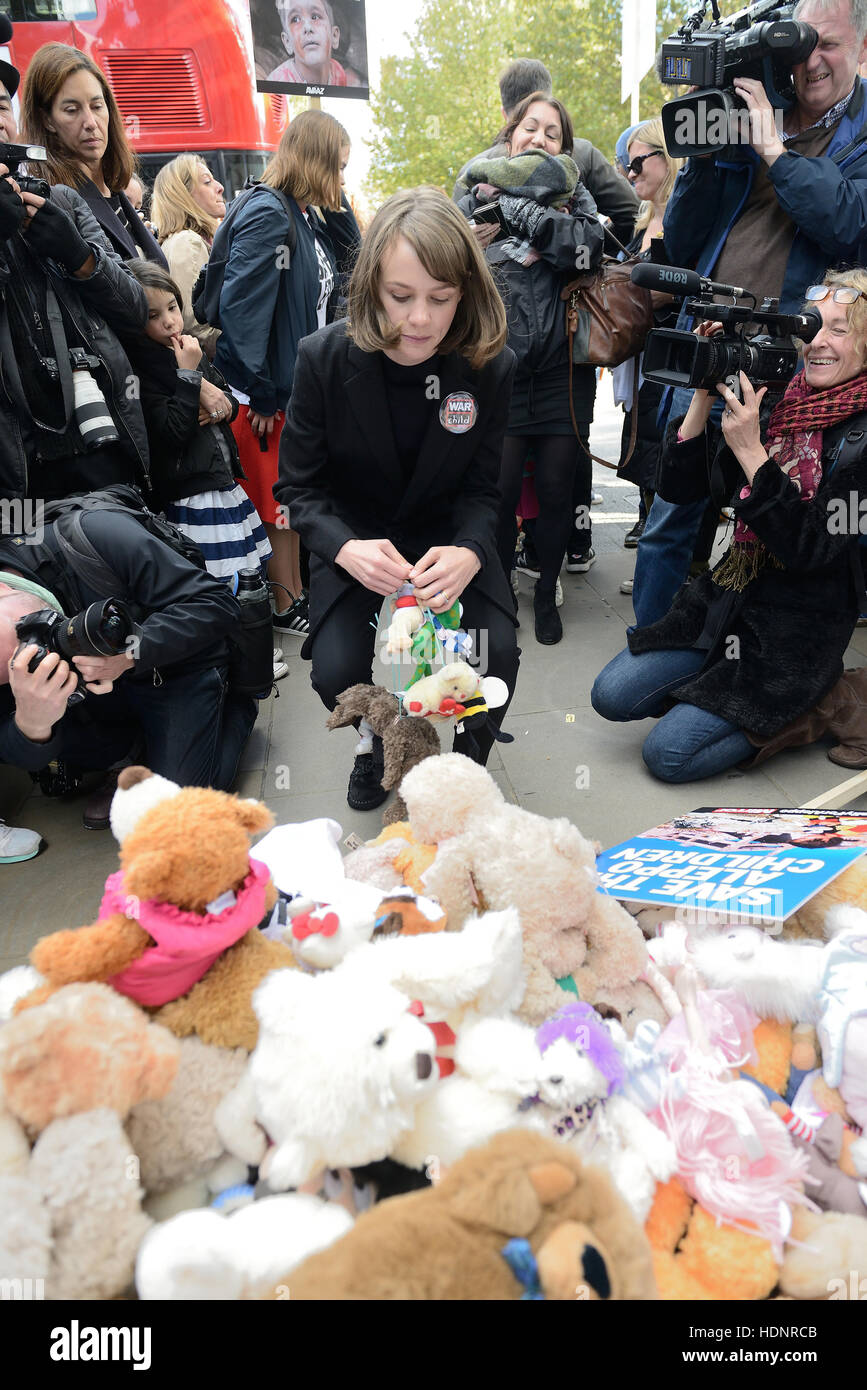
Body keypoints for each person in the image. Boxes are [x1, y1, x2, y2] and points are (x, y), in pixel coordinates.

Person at [274, 186, 519, 810]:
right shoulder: (322, 359)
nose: (420, 319)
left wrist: (468, 550)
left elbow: (488, 489)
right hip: (356, 535)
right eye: (401, 296)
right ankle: (378, 737)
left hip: (448, 535)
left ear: (465, 291)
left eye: (440, 298)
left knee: (497, 650)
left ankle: (465, 763)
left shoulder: (489, 366)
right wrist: (345, 548)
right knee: (333, 668)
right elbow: (298, 489)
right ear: (370, 288)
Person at [633, 0, 867, 627]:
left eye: (832, 46)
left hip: (799, 364)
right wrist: (710, 153)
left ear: (863, 51)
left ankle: (754, 672)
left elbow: (848, 225)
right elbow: (683, 239)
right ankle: (650, 647)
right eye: (802, 45)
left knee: (779, 528)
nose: (812, 60)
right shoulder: (749, 113)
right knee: (674, 513)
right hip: (709, 343)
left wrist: (773, 151)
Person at [591, 268, 867, 783]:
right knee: (610, 696)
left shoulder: (860, 436)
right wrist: (703, 392)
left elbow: (809, 549)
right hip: (726, 603)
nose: (817, 343)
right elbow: (683, 491)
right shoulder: (782, 397)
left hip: (796, 633)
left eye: (839, 330)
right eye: (812, 327)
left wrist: (752, 453)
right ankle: (718, 687)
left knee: (668, 757)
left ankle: (815, 703)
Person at [458, 93, 605, 645]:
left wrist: (520, 214)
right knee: (495, 494)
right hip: (497, 369)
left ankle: (546, 591)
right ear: (511, 134)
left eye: (553, 133)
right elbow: (449, 255)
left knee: (554, 488)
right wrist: (467, 243)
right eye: (531, 128)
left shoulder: (576, 192)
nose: (540, 138)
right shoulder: (475, 182)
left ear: (564, 147)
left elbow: (588, 247)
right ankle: (497, 593)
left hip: (563, 370)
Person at [0, 509, 257, 811]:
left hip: (172, 668)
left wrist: (130, 652)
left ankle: (236, 705)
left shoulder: (93, 535)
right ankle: (128, 750)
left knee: (180, 806)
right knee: (41, 732)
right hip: (92, 697)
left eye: (27, 638)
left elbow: (217, 604)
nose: (32, 660)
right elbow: (15, 753)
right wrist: (32, 722)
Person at [214, 109, 342, 641]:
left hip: (285, 391)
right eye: (337, 163)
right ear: (316, 159)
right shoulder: (271, 212)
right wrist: (264, 395)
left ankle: (290, 598)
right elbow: (242, 310)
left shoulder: (299, 212)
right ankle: (284, 604)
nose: (342, 175)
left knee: (286, 504)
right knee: (275, 509)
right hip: (265, 397)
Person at [0, 57, 150, 504]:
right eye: (71, 109)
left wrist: (81, 257)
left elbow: (136, 308)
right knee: (31, 567)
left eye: (2, 105)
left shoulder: (59, 198)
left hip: (100, 446)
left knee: (127, 561)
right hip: (19, 482)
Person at [121, 259, 272, 583]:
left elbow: (226, 398)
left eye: (172, 307)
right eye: (153, 315)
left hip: (222, 483)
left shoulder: (189, 347)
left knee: (246, 577)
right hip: (190, 494)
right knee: (214, 580)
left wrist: (219, 408)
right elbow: (173, 430)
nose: (169, 322)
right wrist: (188, 377)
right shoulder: (141, 368)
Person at [20, 42, 167, 268]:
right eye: (72, 110)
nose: (90, 123)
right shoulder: (57, 206)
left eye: (97, 106)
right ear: (47, 120)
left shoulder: (116, 193)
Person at [613, 119, 683, 575]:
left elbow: (689, 283)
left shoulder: (685, 213)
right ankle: (646, 517)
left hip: (674, 351)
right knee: (640, 435)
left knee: (667, 440)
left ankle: (663, 538)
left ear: (666, 155)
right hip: (640, 353)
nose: (631, 173)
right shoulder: (641, 217)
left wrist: (636, 292)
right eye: (625, 167)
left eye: (638, 162)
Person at [152, 154, 227, 358]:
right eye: (206, 181)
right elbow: (195, 325)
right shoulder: (187, 241)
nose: (219, 187)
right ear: (183, 195)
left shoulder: (190, 239)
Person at [267, 0, 364, 86]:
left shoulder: (338, 72)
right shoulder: (276, 81)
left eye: (315, 17)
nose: (308, 27)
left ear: (334, 36)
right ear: (287, 42)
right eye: (295, 19)